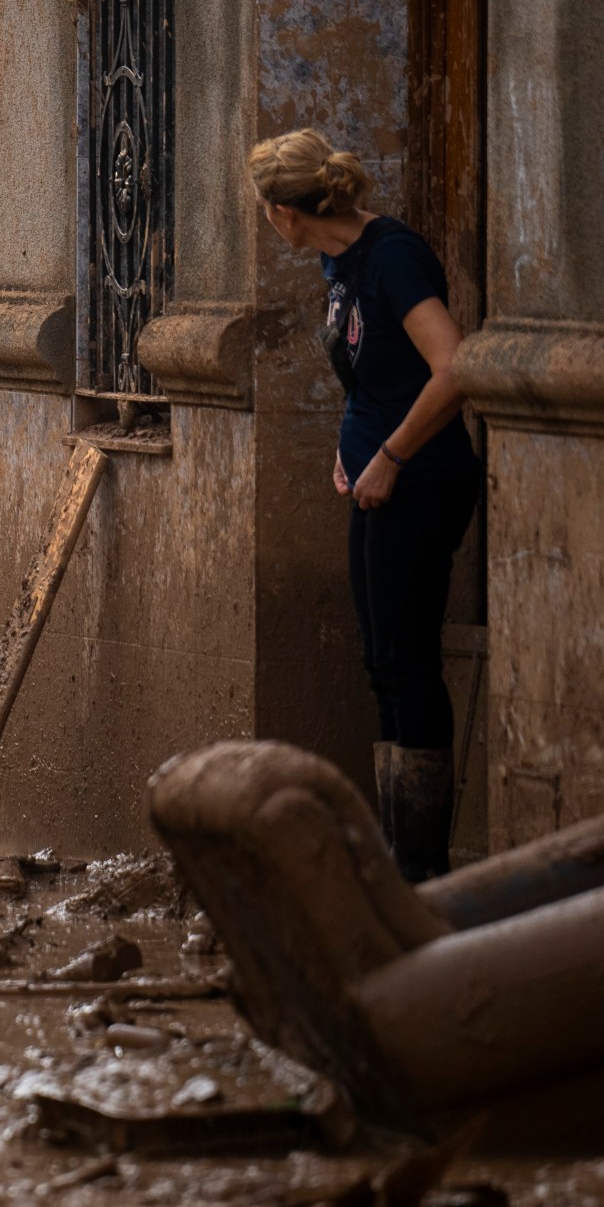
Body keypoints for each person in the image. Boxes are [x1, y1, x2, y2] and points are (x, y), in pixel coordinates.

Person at [249, 128, 475, 881]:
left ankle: (422, 872)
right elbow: (374, 373)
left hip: (420, 480)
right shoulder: (338, 261)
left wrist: (390, 455)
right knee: (382, 661)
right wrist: (353, 449)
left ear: (285, 212)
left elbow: (454, 366)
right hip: (379, 481)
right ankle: (395, 863)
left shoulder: (392, 257)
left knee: (407, 663)